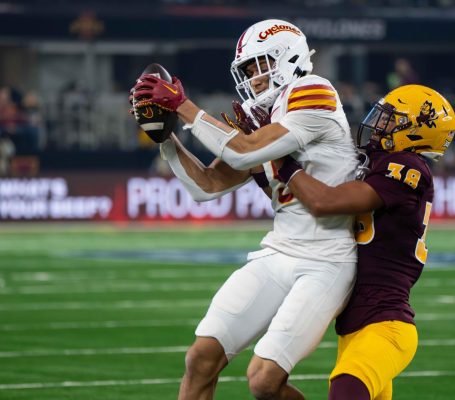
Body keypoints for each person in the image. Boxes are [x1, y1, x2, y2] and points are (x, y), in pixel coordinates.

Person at [131, 19, 358, 400]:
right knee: (201, 358)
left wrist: (182, 106)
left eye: (260, 65)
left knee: (264, 381)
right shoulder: (269, 116)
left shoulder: (314, 90)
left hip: (327, 260)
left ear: (289, 58)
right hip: (279, 250)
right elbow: (207, 185)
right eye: (248, 70)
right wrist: (164, 136)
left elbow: (244, 151)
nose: (253, 78)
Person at [273, 84, 455, 400]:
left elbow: (324, 201)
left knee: (346, 389)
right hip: (355, 327)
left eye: (391, 119)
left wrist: (284, 163)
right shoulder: (375, 163)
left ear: (416, 131)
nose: (378, 124)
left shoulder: (408, 167)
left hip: (385, 323)